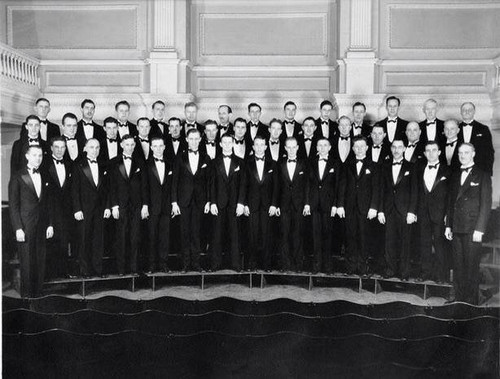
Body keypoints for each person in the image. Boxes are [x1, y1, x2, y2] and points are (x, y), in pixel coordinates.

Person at [445, 143, 492, 304]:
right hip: (457, 226)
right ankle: (458, 298)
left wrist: (480, 229)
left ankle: (471, 301)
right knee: (457, 264)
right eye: (460, 153)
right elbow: (451, 202)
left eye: (466, 152)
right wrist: (448, 225)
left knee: (471, 265)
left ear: (473, 154)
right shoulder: (455, 175)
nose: (462, 155)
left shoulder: (482, 175)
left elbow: (486, 204)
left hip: (473, 228)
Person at [9, 145, 54, 297]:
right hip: (25, 226)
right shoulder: (17, 176)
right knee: (27, 262)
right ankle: (27, 297)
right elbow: (13, 205)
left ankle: (39, 294)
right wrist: (18, 228)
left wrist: (50, 224)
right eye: (34, 155)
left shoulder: (45, 175)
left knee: (40, 260)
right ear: (27, 156)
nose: (38, 158)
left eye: (40, 155)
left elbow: (48, 203)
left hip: (42, 225)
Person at [337, 136, 380, 275]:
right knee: (350, 236)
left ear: (367, 148)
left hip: (366, 208)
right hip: (349, 207)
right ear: (353, 148)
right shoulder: (346, 165)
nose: (360, 149)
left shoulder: (374, 166)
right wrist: (340, 205)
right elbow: (342, 186)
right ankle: (350, 267)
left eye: (362, 146)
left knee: (364, 237)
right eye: (357, 146)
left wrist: (374, 207)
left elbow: (376, 188)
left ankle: (363, 268)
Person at [171, 128, 211, 271]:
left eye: (196, 139)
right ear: (187, 140)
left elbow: (209, 182)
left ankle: (196, 264)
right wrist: (174, 202)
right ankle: (185, 265)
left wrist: (208, 201)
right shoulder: (179, 157)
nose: (194, 141)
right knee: (184, 233)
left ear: (200, 140)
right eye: (191, 139)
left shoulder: (206, 158)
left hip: (199, 202)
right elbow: (174, 181)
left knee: (197, 233)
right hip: (183, 201)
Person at [109, 135, 149, 275]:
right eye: (127, 144)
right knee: (121, 237)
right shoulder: (113, 162)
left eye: (132, 145)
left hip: (137, 205)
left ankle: (134, 268)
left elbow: (144, 185)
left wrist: (145, 205)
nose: (130, 147)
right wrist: (114, 206)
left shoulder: (140, 162)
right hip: (120, 205)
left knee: (135, 237)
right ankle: (120, 269)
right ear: (121, 145)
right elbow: (111, 186)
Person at [378, 139, 418, 279]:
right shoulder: (385, 166)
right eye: (394, 147)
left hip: (405, 211)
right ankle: (390, 270)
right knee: (389, 242)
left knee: (405, 243)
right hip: (388, 210)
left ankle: (404, 272)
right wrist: (381, 210)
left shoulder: (412, 167)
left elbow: (415, 191)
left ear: (404, 149)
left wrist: (412, 212)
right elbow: (381, 189)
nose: (396, 150)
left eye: (399, 147)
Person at [238, 135, 278, 270]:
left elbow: (276, 187)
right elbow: (243, 185)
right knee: (252, 235)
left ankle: (266, 265)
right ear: (253, 147)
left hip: (268, 206)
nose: (260, 147)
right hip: (252, 205)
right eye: (257, 145)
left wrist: (274, 204)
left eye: (262, 144)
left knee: (267, 235)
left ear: (266, 147)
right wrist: (243, 204)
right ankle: (251, 264)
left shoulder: (273, 163)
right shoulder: (246, 163)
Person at [72, 138, 110, 278]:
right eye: (92, 147)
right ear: (85, 148)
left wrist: (107, 207)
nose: (95, 150)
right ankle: (85, 270)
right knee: (84, 240)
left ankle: (98, 270)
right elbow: (74, 189)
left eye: (97, 147)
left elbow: (107, 189)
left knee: (98, 240)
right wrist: (77, 209)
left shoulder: (103, 165)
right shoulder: (78, 165)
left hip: (100, 209)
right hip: (84, 209)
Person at [416, 141, 451, 282]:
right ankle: (425, 274)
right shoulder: (418, 169)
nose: (431, 153)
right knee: (424, 244)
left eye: (434, 150)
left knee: (440, 244)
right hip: (423, 213)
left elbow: (451, 195)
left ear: (439, 152)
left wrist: (448, 215)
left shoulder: (447, 171)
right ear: (424, 153)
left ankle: (441, 276)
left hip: (440, 214)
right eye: (428, 150)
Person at [209, 134, 245, 271]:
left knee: (235, 235)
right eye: (225, 142)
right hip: (218, 203)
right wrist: (212, 202)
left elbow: (243, 184)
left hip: (235, 204)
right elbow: (211, 184)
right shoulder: (214, 162)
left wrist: (241, 203)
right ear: (220, 144)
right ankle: (215, 264)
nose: (227, 144)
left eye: (230, 142)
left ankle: (235, 264)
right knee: (216, 234)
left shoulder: (240, 162)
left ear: (233, 143)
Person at [307, 138, 340, 273]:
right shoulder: (310, 162)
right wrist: (307, 203)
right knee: (315, 236)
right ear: (316, 148)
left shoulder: (336, 163)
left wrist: (336, 204)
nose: (322, 147)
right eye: (320, 145)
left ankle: (327, 266)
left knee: (328, 235)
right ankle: (316, 265)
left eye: (325, 145)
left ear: (330, 147)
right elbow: (307, 185)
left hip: (329, 205)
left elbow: (338, 185)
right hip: (314, 204)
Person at [42, 137, 74, 279]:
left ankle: (64, 273)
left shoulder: (69, 164)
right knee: (51, 242)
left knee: (65, 241)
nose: (60, 150)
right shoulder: (43, 166)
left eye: (63, 147)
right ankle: (50, 274)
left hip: (67, 211)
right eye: (57, 147)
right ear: (51, 148)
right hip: (50, 210)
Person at [278, 137, 309, 271]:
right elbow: (276, 186)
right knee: (284, 234)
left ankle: (298, 265)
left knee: (298, 234)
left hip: (299, 205)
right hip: (283, 205)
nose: (291, 150)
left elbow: (308, 185)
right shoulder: (279, 164)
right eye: (288, 147)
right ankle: (285, 265)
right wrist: (277, 205)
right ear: (285, 148)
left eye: (293, 147)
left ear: (297, 147)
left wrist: (307, 203)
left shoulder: (305, 164)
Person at [146, 137, 174, 272]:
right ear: (151, 147)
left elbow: (173, 186)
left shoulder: (170, 164)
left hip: (166, 206)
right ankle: (151, 265)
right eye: (155, 146)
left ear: (164, 147)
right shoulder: (145, 164)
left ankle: (164, 264)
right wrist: (145, 205)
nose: (158, 149)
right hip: (152, 206)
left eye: (160, 146)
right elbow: (144, 187)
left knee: (165, 236)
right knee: (151, 236)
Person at [458, 102, 495, 176]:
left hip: (479, 170)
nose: (467, 112)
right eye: (464, 110)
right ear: (461, 112)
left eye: (470, 110)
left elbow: (489, 152)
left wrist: (488, 173)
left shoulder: (483, 129)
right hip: (458, 171)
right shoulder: (455, 129)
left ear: (474, 112)